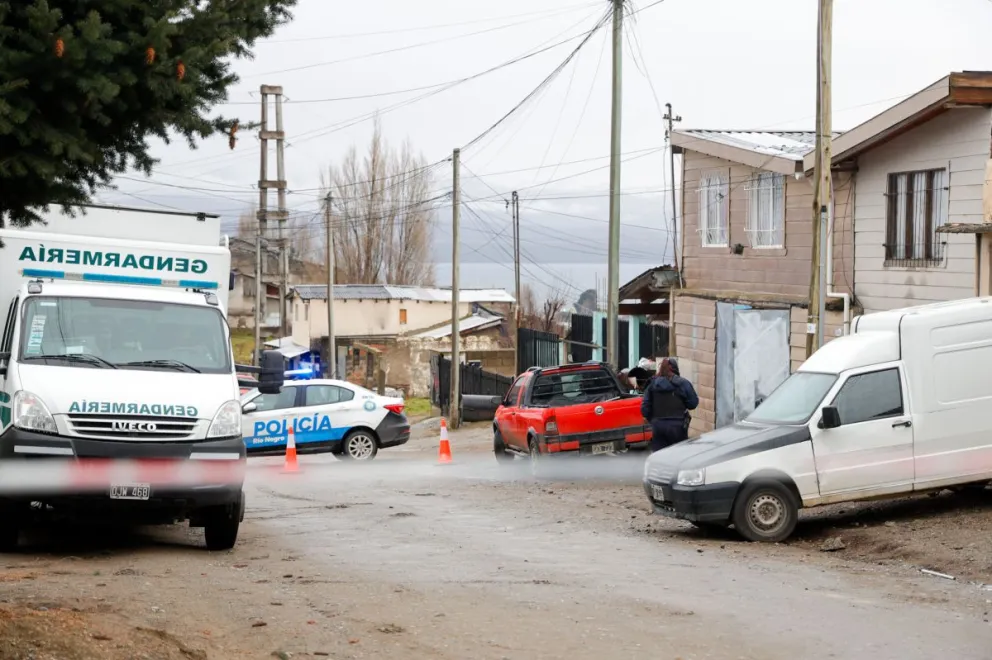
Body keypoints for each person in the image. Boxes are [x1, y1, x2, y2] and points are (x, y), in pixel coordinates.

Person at [641, 357, 699, 452]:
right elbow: (693, 403)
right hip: (678, 426)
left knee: (659, 457)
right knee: (678, 456)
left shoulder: (652, 384)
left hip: (658, 426)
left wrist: (653, 420)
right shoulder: (683, 383)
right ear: (676, 369)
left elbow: (644, 410)